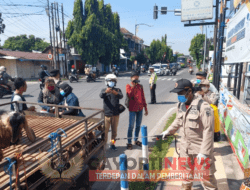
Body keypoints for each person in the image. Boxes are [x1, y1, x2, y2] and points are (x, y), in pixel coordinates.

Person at [161, 79, 217, 190]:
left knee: (207, 180)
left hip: (200, 149)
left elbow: (208, 130)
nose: (179, 96)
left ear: (189, 91)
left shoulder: (204, 106)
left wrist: (204, 152)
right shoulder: (180, 105)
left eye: (181, 93)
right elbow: (178, 120)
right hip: (185, 149)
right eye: (178, 93)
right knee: (186, 177)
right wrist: (168, 131)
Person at [100, 74, 123, 151]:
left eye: (113, 81)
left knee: (114, 132)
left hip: (115, 115)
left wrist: (115, 93)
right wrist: (106, 92)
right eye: (110, 81)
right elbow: (101, 95)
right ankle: (104, 145)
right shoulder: (104, 90)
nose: (111, 82)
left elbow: (121, 96)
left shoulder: (118, 90)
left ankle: (112, 144)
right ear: (106, 82)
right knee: (105, 132)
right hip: (107, 115)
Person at [126, 71, 148, 150]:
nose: (136, 78)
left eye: (137, 77)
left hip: (140, 109)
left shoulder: (140, 86)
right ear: (131, 78)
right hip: (132, 109)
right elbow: (130, 94)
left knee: (138, 125)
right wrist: (133, 86)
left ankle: (135, 140)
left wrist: (145, 108)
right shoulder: (128, 86)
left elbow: (143, 97)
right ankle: (129, 142)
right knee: (131, 126)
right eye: (134, 77)